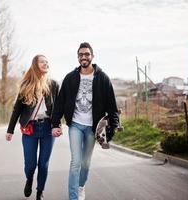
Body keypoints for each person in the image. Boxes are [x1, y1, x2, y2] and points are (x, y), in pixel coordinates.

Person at [51, 42, 119, 200]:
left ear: (92, 56)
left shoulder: (102, 78)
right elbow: (60, 103)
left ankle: (81, 186)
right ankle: (73, 197)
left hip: (92, 128)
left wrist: (112, 128)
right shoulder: (70, 78)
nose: (84, 57)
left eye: (87, 54)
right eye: (81, 54)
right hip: (75, 125)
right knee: (76, 162)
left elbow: (112, 106)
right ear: (78, 57)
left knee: (86, 163)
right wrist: (55, 123)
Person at [6, 55, 59, 200]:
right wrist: (10, 130)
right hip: (30, 129)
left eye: (47, 62)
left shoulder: (53, 84)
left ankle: (39, 191)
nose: (46, 63)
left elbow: (58, 108)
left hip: (48, 127)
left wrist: (57, 125)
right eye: (42, 61)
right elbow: (17, 109)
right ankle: (29, 179)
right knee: (30, 165)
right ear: (35, 65)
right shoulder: (26, 85)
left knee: (44, 164)